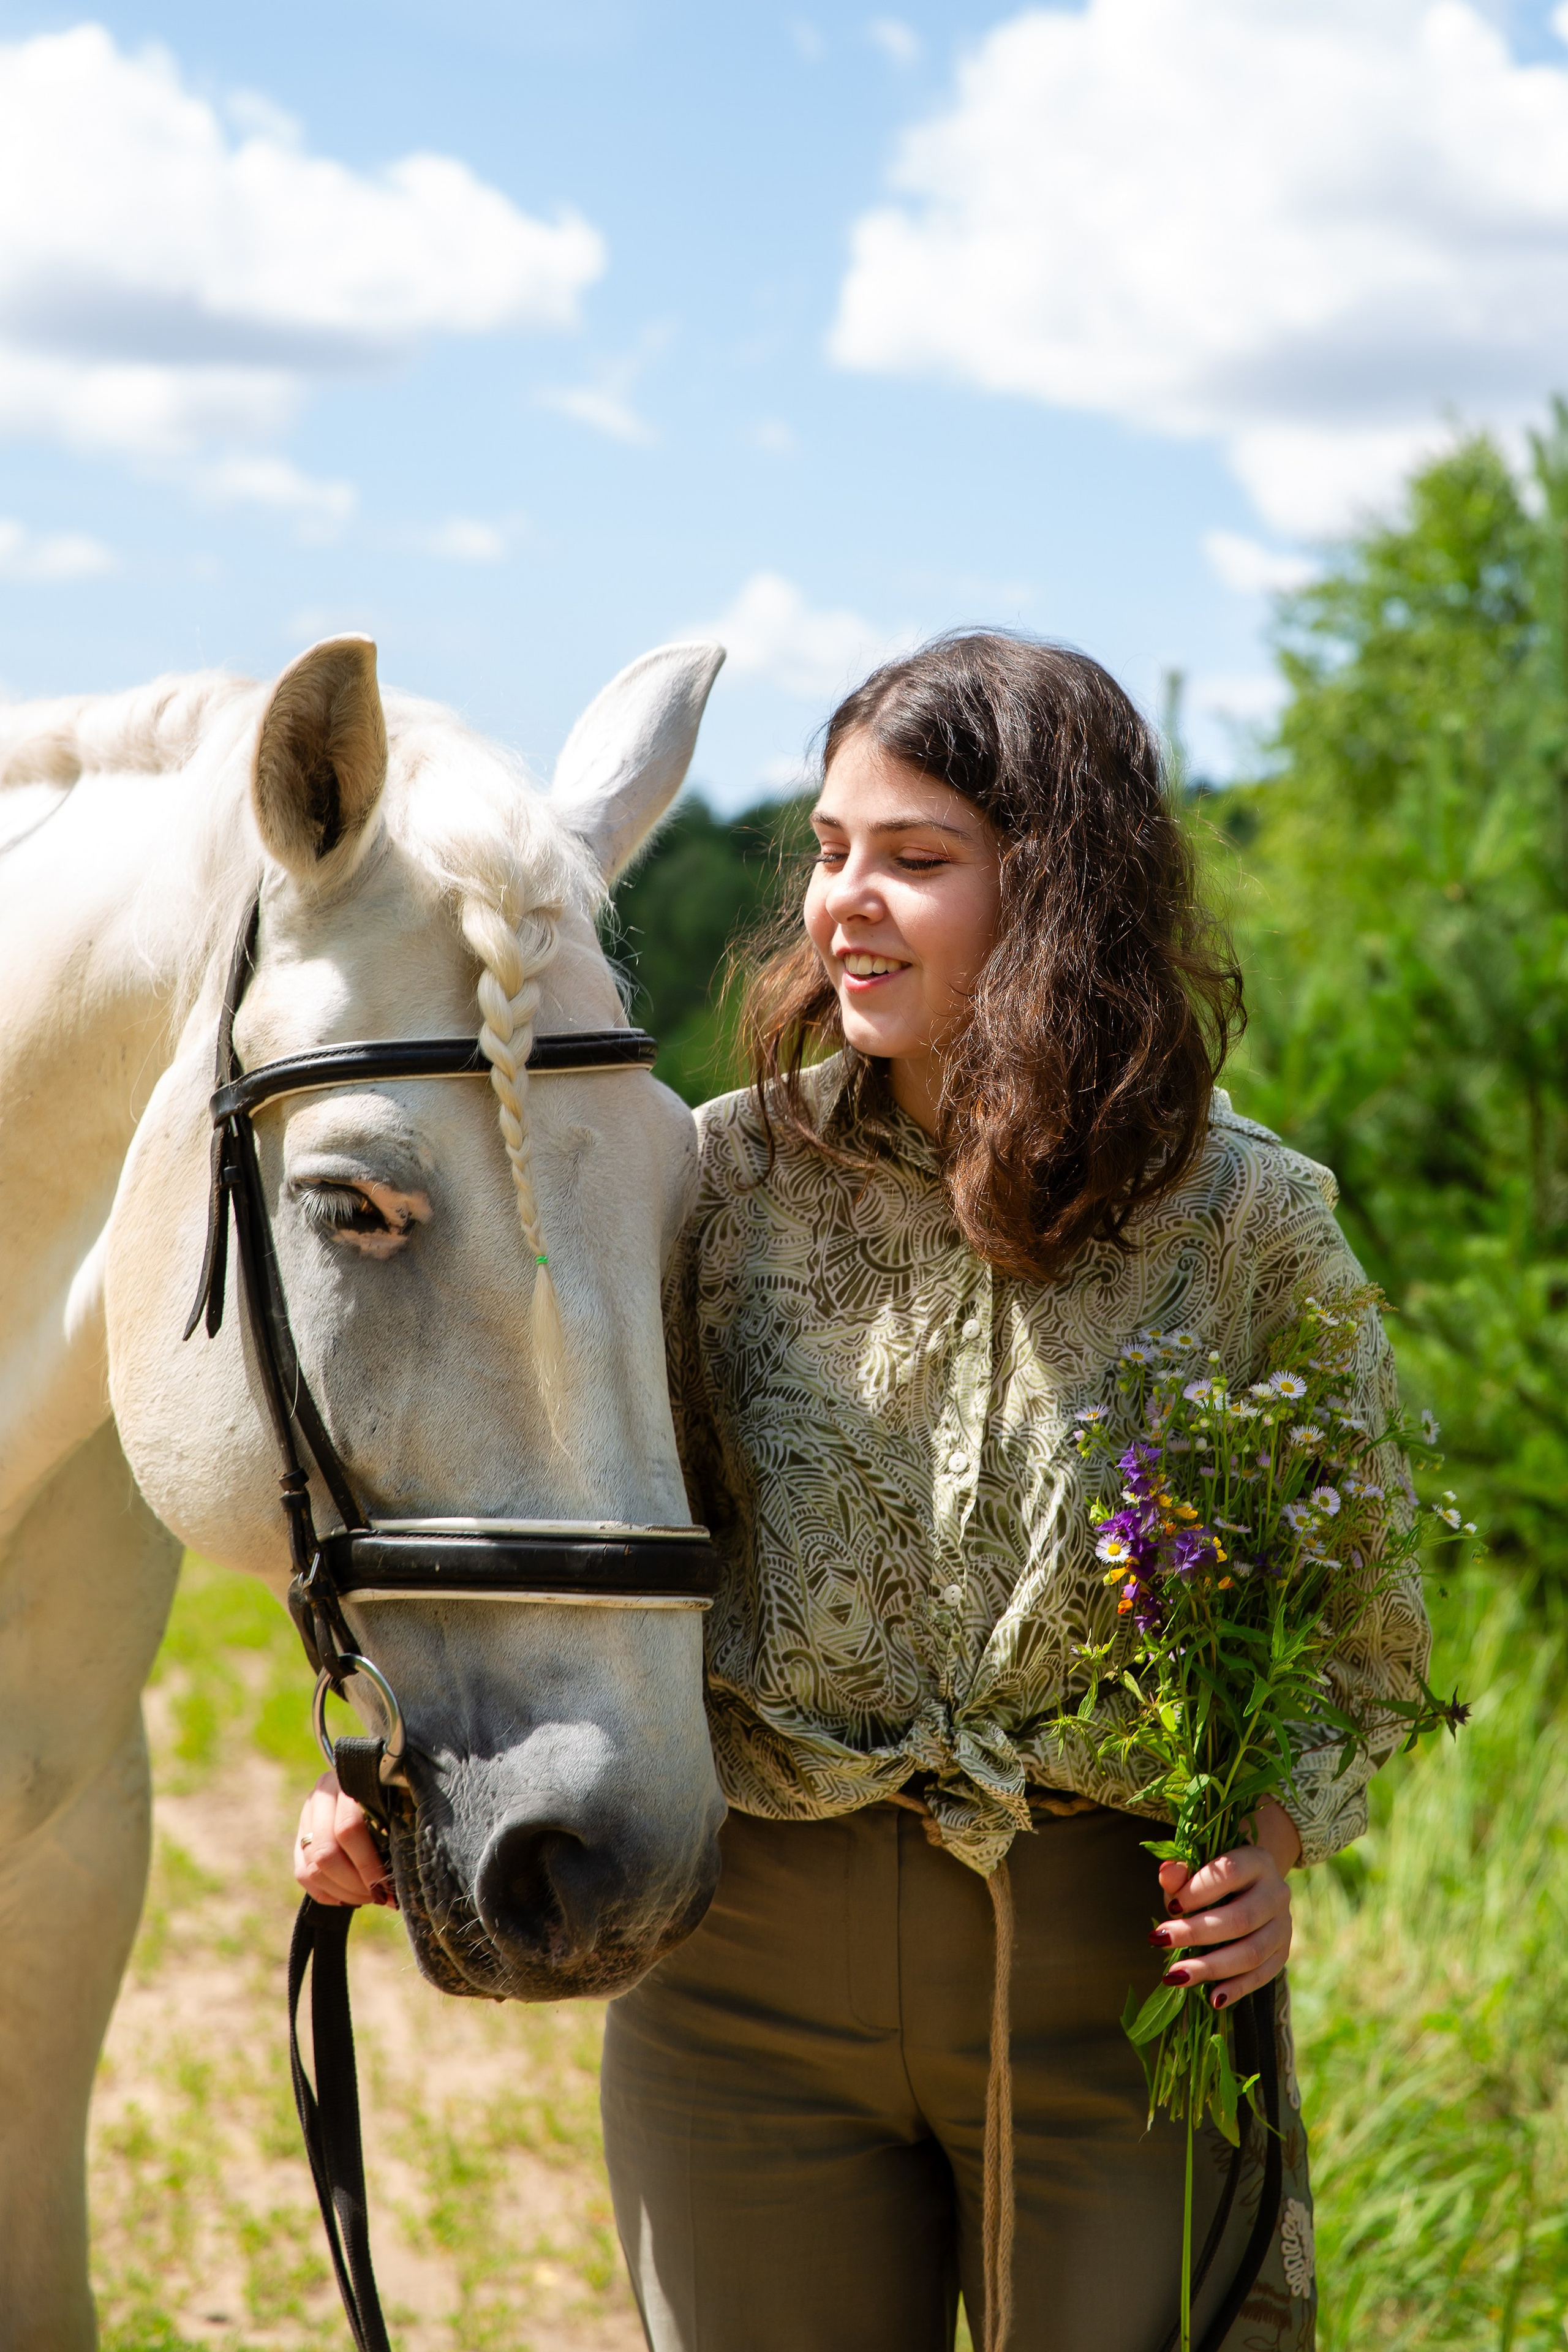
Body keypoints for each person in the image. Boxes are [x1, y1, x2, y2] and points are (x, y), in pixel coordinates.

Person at [295, 634, 1430, 2352]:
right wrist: (399, 1772)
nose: (846, 903)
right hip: (738, 1993)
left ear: (1059, 888)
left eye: (915, 860)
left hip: (1111, 1993)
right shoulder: (715, 1181)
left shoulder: (1250, 1224)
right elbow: (569, 1494)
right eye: (830, 851)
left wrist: (1273, 1840)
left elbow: (1362, 1624)